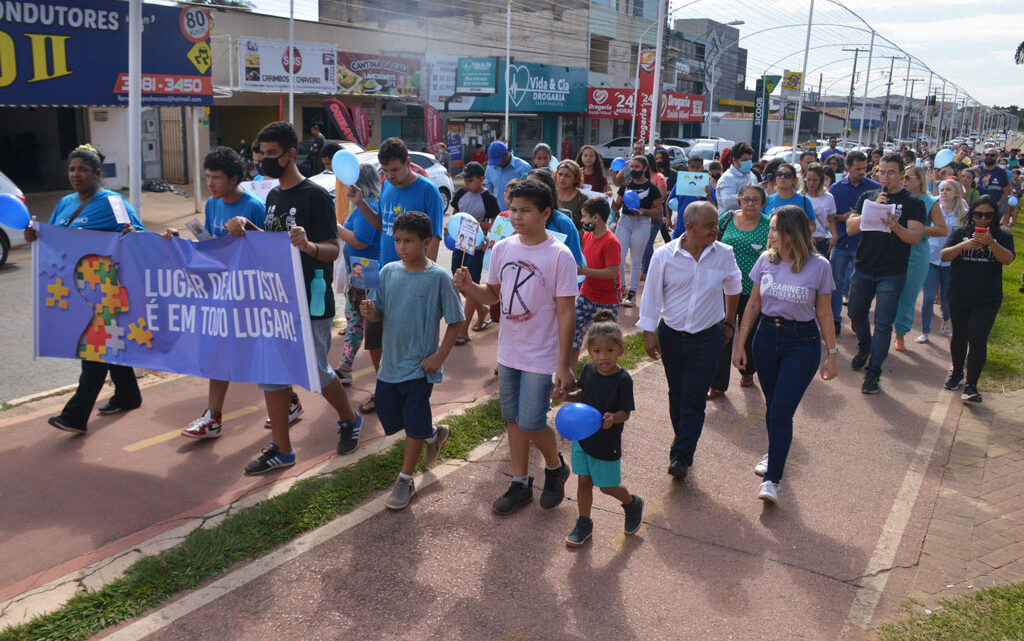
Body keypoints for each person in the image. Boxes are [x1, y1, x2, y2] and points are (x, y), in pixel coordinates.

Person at [225, 121, 362, 473]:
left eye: (272, 155)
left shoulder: (315, 196)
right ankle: (282, 449)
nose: (265, 160)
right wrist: (248, 229)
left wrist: (309, 245)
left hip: (310, 301)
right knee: (271, 372)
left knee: (314, 371)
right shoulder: (272, 197)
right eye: (262, 154)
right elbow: (274, 242)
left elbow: (333, 249)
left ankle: (350, 418)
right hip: (276, 300)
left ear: (290, 155)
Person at [453, 180, 576, 515]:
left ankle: (554, 467)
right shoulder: (504, 248)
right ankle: (520, 483)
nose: (517, 217)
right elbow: (492, 296)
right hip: (509, 352)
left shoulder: (559, 256)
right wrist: (468, 288)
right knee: (512, 419)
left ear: (545, 213)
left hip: (541, 355)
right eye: (514, 210)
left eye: (526, 211)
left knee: (532, 420)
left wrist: (564, 364)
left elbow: (566, 312)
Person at [26, 144, 146, 435]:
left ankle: (75, 415)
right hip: (79, 291)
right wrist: (35, 237)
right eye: (71, 169)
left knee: (94, 348)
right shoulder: (66, 203)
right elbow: (55, 238)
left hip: (109, 289)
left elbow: (139, 234)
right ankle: (128, 395)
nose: (75, 174)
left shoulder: (113, 201)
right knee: (107, 346)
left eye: (82, 169)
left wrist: (131, 235)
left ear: (97, 173)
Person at [359, 211, 466, 509]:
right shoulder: (388, 272)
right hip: (389, 367)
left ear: (427, 242)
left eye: (409, 241)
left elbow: (457, 321)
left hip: (419, 368)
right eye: (398, 241)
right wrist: (371, 312)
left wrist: (438, 357)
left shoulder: (439, 278)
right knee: (395, 417)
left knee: (414, 423)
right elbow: (379, 312)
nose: (402, 247)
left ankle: (405, 480)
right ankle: (434, 434)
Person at [733, 205, 838, 504]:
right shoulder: (765, 260)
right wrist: (740, 344)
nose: (771, 234)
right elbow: (752, 304)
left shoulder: (820, 266)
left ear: (794, 233)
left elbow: (824, 311)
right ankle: (775, 452)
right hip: (765, 339)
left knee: (781, 411)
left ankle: (772, 479)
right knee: (773, 406)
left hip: (801, 343)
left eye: (777, 229)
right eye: (771, 229)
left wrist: (832, 353)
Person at [638, 201, 742, 481]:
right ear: (691, 227)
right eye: (710, 226)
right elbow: (651, 295)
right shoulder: (664, 256)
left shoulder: (724, 254)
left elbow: (734, 287)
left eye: (716, 224)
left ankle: (681, 455)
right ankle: (682, 439)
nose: (715, 230)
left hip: (708, 338)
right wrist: (649, 332)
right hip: (671, 336)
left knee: (695, 397)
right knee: (677, 394)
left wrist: (729, 323)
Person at [170, 146, 268, 439]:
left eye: (216, 177)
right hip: (220, 292)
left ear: (234, 178)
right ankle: (213, 417)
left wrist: (247, 231)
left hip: (250, 295)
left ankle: (286, 400)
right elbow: (209, 244)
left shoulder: (253, 207)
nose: (210, 183)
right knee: (217, 351)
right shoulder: (213, 204)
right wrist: (181, 241)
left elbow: (266, 253)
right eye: (208, 176)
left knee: (262, 353)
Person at [349, 137, 445, 414]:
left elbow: (435, 236)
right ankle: (385, 390)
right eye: (385, 171)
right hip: (383, 276)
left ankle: (412, 395)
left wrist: (428, 277)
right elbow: (382, 224)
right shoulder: (387, 187)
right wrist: (360, 203)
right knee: (376, 336)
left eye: (395, 170)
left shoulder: (427, 191)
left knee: (409, 341)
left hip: (415, 278)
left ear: (407, 163)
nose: (390, 176)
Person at [557, 311, 643, 546]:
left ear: (621, 350)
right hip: (583, 439)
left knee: (606, 486)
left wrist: (612, 418)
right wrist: (568, 397)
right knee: (583, 482)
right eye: (596, 351)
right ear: (589, 351)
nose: (603, 357)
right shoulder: (588, 370)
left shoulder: (623, 380)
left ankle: (631, 503)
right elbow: (583, 394)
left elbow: (626, 412)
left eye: (609, 351)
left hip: (606, 443)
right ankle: (584, 522)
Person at [844, 153, 927, 394]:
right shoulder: (868, 197)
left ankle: (873, 372)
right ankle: (864, 346)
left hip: (892, 273)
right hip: (863, 268)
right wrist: (873, 211)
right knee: (855, 313)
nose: (886, 176)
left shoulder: (914, 202)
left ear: (902, 175)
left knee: (882, 324)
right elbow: (850, 228)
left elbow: (915, 237)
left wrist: (896, 226)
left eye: (891, 172)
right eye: (882, 171)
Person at [941, 196, 1015, 402]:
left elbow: (1008, 259)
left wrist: (991, 242)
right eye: (978, 214)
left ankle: (971, 386)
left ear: (994, 217)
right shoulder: (960, 233)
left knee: (978, 338)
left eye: (988, 215)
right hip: (959, 294)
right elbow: (945, 255)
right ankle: (957, 373)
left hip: (987, 298)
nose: (983, 219)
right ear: (971, 215)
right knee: (960, 336)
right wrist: (963, 246)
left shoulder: (1003, 235)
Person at [707, 183, 771, 400]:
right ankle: (717, 383)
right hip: (725, 287)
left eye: (755, 199)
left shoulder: (769, 224)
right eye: (746, 199)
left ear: (763, 202)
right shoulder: (726, 218)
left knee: (749, 332)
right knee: (722, 332)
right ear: (739, 200)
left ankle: (747, 369)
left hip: (755, 290)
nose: (750, 203)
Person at [334, 163, 383, 386]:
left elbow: (361, 241)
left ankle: (346, 367)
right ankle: (346, 366)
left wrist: (338, 229)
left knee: (355, 319)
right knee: (355, 318)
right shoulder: (368, 205)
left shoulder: (368, 206)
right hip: (361, 270)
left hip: (366, 270)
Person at [893, 165, 948, 351]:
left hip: (916, 254)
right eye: (903, 177)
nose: (904, 181)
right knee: (887, 291)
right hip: (891, 251)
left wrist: (917, 229)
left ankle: (900, 333)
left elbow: (942, 229)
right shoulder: (896, 196)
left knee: (908, 294)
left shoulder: (929, 201)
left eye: (908, 178)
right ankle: (884, 330)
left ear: (920, 180)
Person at [828, 151, 880, 337]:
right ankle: (835, 319)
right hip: (842, 243)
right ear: (848, 168)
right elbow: (830, 216)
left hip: (863, 245)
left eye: (864, 168)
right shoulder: (836, 188)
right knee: (835, 284)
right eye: (857, 169)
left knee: (861, 286)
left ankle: (858, 320)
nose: (861, 172)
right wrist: (845, 217)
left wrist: (860, 218)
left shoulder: (875, 189)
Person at [450, 161, 500, 344]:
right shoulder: (462, 193)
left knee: (470, 283)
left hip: (477, 246)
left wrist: (477, 225)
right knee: (459, 282)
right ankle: (481, 309)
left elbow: (496, 225)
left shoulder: (489, 199)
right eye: (464, 180)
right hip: (460, 243)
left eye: (470, 180)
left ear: (481, 179)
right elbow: (455, 214)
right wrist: (450, 227)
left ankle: (464, 329)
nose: (466, 184)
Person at [571, 196, 621, 373]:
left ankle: (604, 374)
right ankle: (570, 372)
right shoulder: (586, 236)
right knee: (573, 335)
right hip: (586, 295)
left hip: (607, 301)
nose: (582, 220)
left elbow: (612, 272)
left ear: (596, 218)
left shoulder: (611, 242)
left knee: (605, 341)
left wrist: (584, 271)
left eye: (584, 216)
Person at [917, 179, 965, 344]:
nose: (944, 192)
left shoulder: (963, 214)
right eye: (942, 189)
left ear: (956, 193)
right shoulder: (933, 210)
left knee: (945, 299)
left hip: (950, 263)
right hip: (930, 259)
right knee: (929, 297)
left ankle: (946, 319)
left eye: (948, 189)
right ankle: (925, 331)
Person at [613, 156, 662, 307]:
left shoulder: (652, 188)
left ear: (645, 168)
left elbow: (657, 212)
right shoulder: (626, 186)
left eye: (637, 167)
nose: (634, 170)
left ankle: (632, 294)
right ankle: (621, 288)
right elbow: (616, 205)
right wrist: (616, 211)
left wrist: (644, 211)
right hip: (625, 222)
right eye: (632, 167)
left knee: (635, 259)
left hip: (642, 223)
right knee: (618, 258)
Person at [671, 154, 713, 240]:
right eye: (692, 167)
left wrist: (708, 194)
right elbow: (669, 201)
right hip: (680, 226)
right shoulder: (680, 184)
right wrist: (668, 218)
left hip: (699, 226)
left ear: (702, 168)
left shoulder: (707, 186)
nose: (694, 170)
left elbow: (713, 206)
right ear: (688, 168)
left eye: (697, 167)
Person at [801, 163, 837, 256]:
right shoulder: (800, 197)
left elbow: (831, 219)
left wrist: (834, 235)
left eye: (815, 180)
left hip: (820, 242)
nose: (811, 183)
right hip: (802, 242)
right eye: (808, 180)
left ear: (821, 180)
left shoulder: (828, 197)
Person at [485, 140, 531, 210]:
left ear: (506, 155)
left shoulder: (524, 167)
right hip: (497, 213)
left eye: (498, 161)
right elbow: (489, 191)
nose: (497, 165)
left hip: (518, 213)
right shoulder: (490, 167)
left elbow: (528, 194)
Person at [716, 142, 758, 213]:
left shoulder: (752, 175)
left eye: (750, 160)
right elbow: (727, 202)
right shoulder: (728, 178)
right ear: (734, 160)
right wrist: (748, 196)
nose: (748, 163)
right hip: (729, 220)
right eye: (744, 160)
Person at [554, 159, 587, 231]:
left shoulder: (582, 199)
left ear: (575, 179)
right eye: (560, 174)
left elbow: (589, 225)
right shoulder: (550, 195)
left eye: (567, 176)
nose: (562, 178)